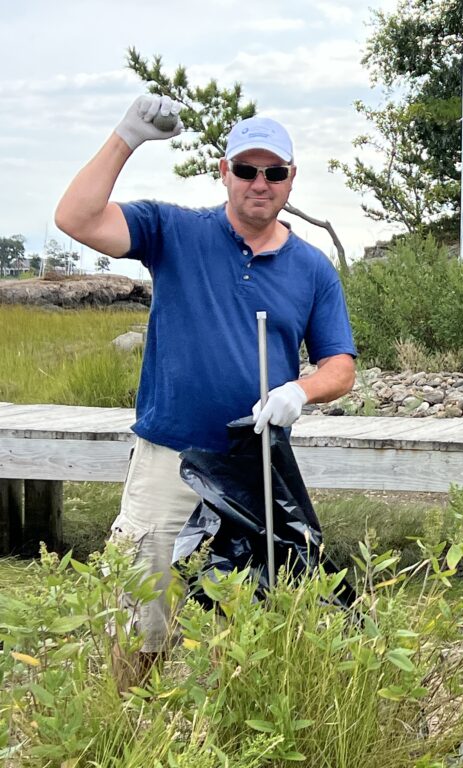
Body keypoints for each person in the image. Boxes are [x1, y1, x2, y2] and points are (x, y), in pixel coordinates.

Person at [54, 94, 357, 670]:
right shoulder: (173, 230)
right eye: (245, 169)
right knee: (140, 616)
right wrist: (128, 136)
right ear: (225, 173)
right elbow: (76, 219)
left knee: (235, 632)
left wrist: (300, 391)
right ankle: (125, 736)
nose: (258, 182)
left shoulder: (313, 268)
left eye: (273, 172)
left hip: (254, 471)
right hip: (169, 459)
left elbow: (340, 364)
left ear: (291, 178)